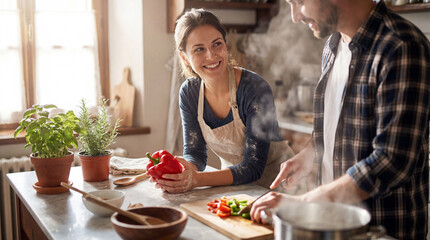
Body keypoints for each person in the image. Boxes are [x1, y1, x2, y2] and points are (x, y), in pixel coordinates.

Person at [250, 0, 430, 239]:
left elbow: (391, 161)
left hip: (381, 229)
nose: (295, 16)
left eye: (300, 2)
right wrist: (311, 154)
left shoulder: (401, 46)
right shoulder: (332, 45)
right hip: (331, 224)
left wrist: (302, 203)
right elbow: (336, 124)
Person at [152, 8, 295, 193]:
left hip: (281, 188)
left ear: (226, 45)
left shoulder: (254, 88)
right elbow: (195, 154)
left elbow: (253, 167)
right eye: (199, 49)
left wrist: (196, 180)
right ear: (184, 57)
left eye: (217, 44)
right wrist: (184, 173)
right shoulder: (189, 93)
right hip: (235, 188)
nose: (211, 56)